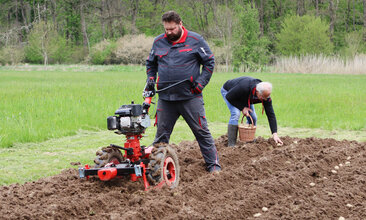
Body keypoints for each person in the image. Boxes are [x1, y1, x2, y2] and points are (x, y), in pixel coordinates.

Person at [145, 11, 221, 173]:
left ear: (180, 24)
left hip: (190, 97)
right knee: (161, 138)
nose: (169, 33)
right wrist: (151, 80)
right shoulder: (158, 42)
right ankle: (157, 171)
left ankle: (214, 166)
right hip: (165, 98)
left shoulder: (195, 40)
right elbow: (151, 64)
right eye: (166, 29)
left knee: (201, 132)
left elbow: (209, 62)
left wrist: (200, 84)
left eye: (172, 29)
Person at [221, 76, 283, 146]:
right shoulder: (244, 87)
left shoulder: (265, 96)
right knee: (236, 113)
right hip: (229, 92)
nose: (265, 99)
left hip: (245, 97)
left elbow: (270, 114)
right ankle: (231, 145)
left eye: (267, 97)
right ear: (257, 92)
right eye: (263, 97)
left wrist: (275, 134)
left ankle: (249, 142)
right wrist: (242, 108)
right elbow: (229, 97)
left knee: (253, 117)